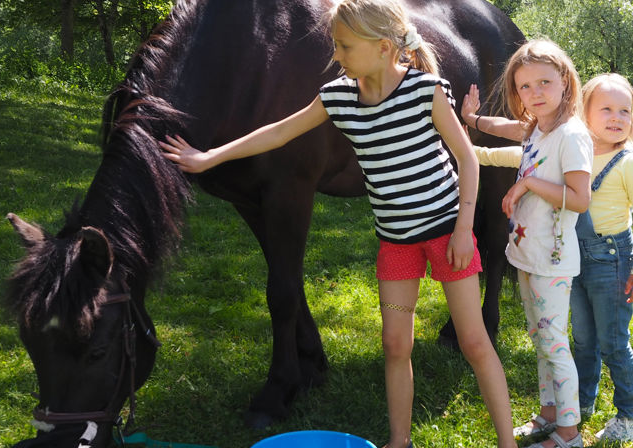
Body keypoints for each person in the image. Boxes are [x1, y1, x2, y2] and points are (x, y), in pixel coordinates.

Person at [158, 1, 516, 447]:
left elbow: (467, 159)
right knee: (394, 345)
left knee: (475, 344)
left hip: (447, 234)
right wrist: (210, 156)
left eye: (344, 46)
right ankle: (399, 440)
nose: (336, 55)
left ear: (384, 47)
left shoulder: (426, 91)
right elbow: (278, 132)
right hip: (397, 242)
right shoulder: (338, 97)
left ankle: (507, 442)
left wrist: (465, 229)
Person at [459, 39, 593, 448]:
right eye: (524, 87)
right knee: (540, 341)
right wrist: (473, 120)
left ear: (566, 82)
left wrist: (529, 184)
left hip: (552, 261)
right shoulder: (539, 127)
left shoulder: (572, 135)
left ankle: (569, 433)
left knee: (554, 346)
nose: (534, 94)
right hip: (526, 255)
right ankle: (549, 415)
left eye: (544, 83)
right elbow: (508, 129)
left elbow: (581, 197)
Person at [566, 73, 633, 442]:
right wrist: (472, 150)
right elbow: (521, 153)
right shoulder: (576, 155)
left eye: (625, 111)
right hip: (576, 261)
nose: (617, 117)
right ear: (583, 112)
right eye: (606, 108)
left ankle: (632, 416)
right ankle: (582, 403)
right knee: (583, 339)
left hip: (612, 262)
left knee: (613, 342)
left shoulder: (628, 163)